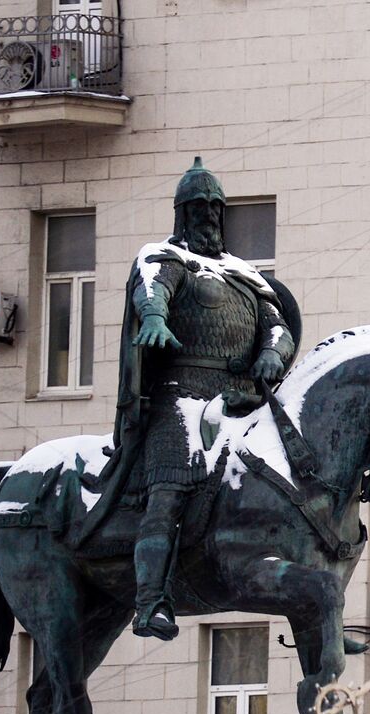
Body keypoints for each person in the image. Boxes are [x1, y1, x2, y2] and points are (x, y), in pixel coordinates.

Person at [92, 157, 296, 640]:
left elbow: (280, 326)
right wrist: (156, 319)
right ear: (182, 211)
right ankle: (150, 603)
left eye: (214, 207)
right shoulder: (166, 258)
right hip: (181, 398)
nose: (208, 214)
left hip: (244, 401)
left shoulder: (245, 276)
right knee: (170, 492)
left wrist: (273, 353)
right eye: (198, 206)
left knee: (294, 477)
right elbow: (151, 292)